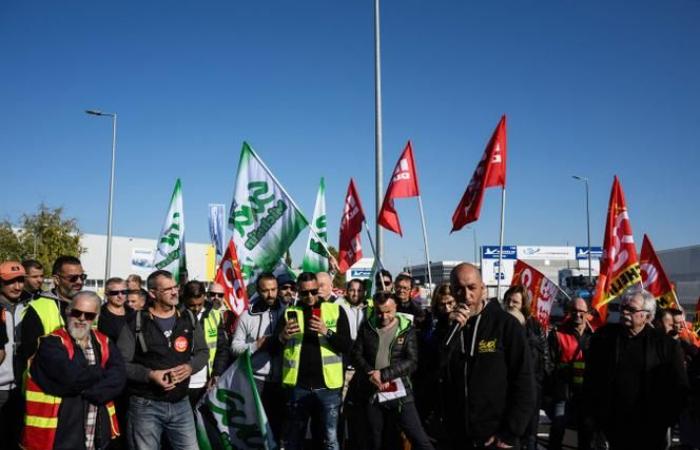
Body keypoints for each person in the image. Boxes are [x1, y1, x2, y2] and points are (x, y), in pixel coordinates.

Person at [440, 263, 534, 449]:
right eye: (459, 289)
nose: (466, 296)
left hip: (495, 435)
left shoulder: (505, 325)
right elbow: (437, 371)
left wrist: (511, 432)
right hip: (457, 433)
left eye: (472, 288)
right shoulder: (448, 327)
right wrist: (448, 333)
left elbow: (524, 381)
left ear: (482, 288)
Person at [584, 288, 689, 450]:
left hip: (651, 427)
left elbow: (679, 386)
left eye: (631, 310)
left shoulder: (666, 345)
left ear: (647, 316)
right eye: (622, 308)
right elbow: (591, 379)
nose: (624, 312)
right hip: (612, 425)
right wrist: (595, 418)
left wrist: (666, 420)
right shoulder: (603, 338)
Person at [22, 291, 125, 450]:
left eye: (89, 315)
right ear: (68, 311)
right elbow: (71, 377)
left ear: (96, 317)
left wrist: (90, 390)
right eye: (77, 313)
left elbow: (118, 377)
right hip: (60, 434)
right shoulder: (51, 343)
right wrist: (100, 372)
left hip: (96, 432)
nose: (82, 318)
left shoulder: (104, 341)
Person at [117, 270, 208, 450]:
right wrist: (150, 375)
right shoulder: (135, 322)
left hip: (181, 403)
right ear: (152, 293)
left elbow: (203, 352)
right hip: (145, 405)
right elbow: (120, 364)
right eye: (168, 289)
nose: (175, 292)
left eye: (176, 287)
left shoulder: (188, 317)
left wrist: (190, 368)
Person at [349, 292, 434, 450]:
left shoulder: (406, 329)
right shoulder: (367, 327)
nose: (383, 316)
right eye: (379, 312)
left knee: (418, 437)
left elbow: (412, 361)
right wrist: (371, 374)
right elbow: (356, 354)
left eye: (388, 311)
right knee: (376, 440)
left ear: (396, 308)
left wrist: (384, 375)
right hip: (372, 392)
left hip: (400, 393)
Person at [277, 272, 352, 450]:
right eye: (304, 293)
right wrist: (282, 336)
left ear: (318, 289)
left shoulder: (335, 310)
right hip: (298, 386)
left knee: (330, 439)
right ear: (298, 292)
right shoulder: (290, 313)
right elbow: (276, 347)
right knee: (294, 439)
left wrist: (327, 331)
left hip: (328, 387)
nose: (309, 296)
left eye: (313, 291)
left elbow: (347, 345)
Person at [229, 273, 286, 442]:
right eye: (266, 290)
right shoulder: (247, 316)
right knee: (257, 430)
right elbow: (235, 347)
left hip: (283, 380)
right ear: (258, 291)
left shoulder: (289, 312)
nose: (271, 294)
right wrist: (255, 346)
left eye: (274, 289)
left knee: (278, 430)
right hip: (256, 381)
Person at [20, 256, 86, 380]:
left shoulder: (87, 306)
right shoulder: (37, 307)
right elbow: (30, 355)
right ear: (56, 279)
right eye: (73, 278)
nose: (79, 282)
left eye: (82, 277)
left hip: (80, 385)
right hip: (48, 387)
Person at [503, 285, 549, 450]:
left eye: (515, 302)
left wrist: (541, 380)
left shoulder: (535, 327)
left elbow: (544, 356)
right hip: (506, 390)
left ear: (523, 305)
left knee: (530, 434)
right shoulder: (499, 325)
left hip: (531, 388)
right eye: (508, 300)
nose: (510, 305)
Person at [547, 297, 594, 450]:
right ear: (568, 312)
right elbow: (549, 364)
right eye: (574, 311)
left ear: (588, 313)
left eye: (581, 311)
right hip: (563, 392)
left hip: (587, 393)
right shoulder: (557, 334)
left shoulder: (595, 335)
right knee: (558, 428)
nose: (578, 314)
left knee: (586, 432)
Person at [181, 280, 220, 407]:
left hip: (206, 383)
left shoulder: (215, 314)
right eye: (192, 305)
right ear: (185, 299)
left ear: (204, 296)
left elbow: (222, 348)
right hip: (182, 383)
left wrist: (217, 373)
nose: (196, 309)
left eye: (200, 304)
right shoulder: (176, 314)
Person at [0, 261, 21, 448]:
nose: (17, 286)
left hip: (21, 388)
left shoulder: (28, 307)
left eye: (21, 280)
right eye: (11, 281)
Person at [98, 277, 135, 342]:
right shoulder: (99, 315)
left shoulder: (133, 313)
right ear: (107, 294)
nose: (120, 296)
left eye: (124, 292)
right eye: (115, 293)